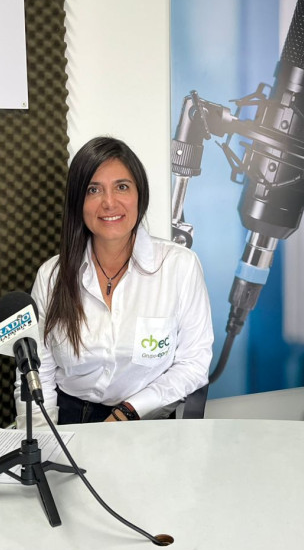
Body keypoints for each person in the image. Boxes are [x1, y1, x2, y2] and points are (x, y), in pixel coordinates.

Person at [16, 136, 213, 426]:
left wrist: (129, 411)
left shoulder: (180, 266)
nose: (109, 203)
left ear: (139, 195)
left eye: (122, 187)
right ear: (78, 202)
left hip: (145, 420)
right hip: (70, 421)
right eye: (93, 190)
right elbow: (37, 371)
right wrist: (44, 439)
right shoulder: (51, 276)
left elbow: (193, 364)